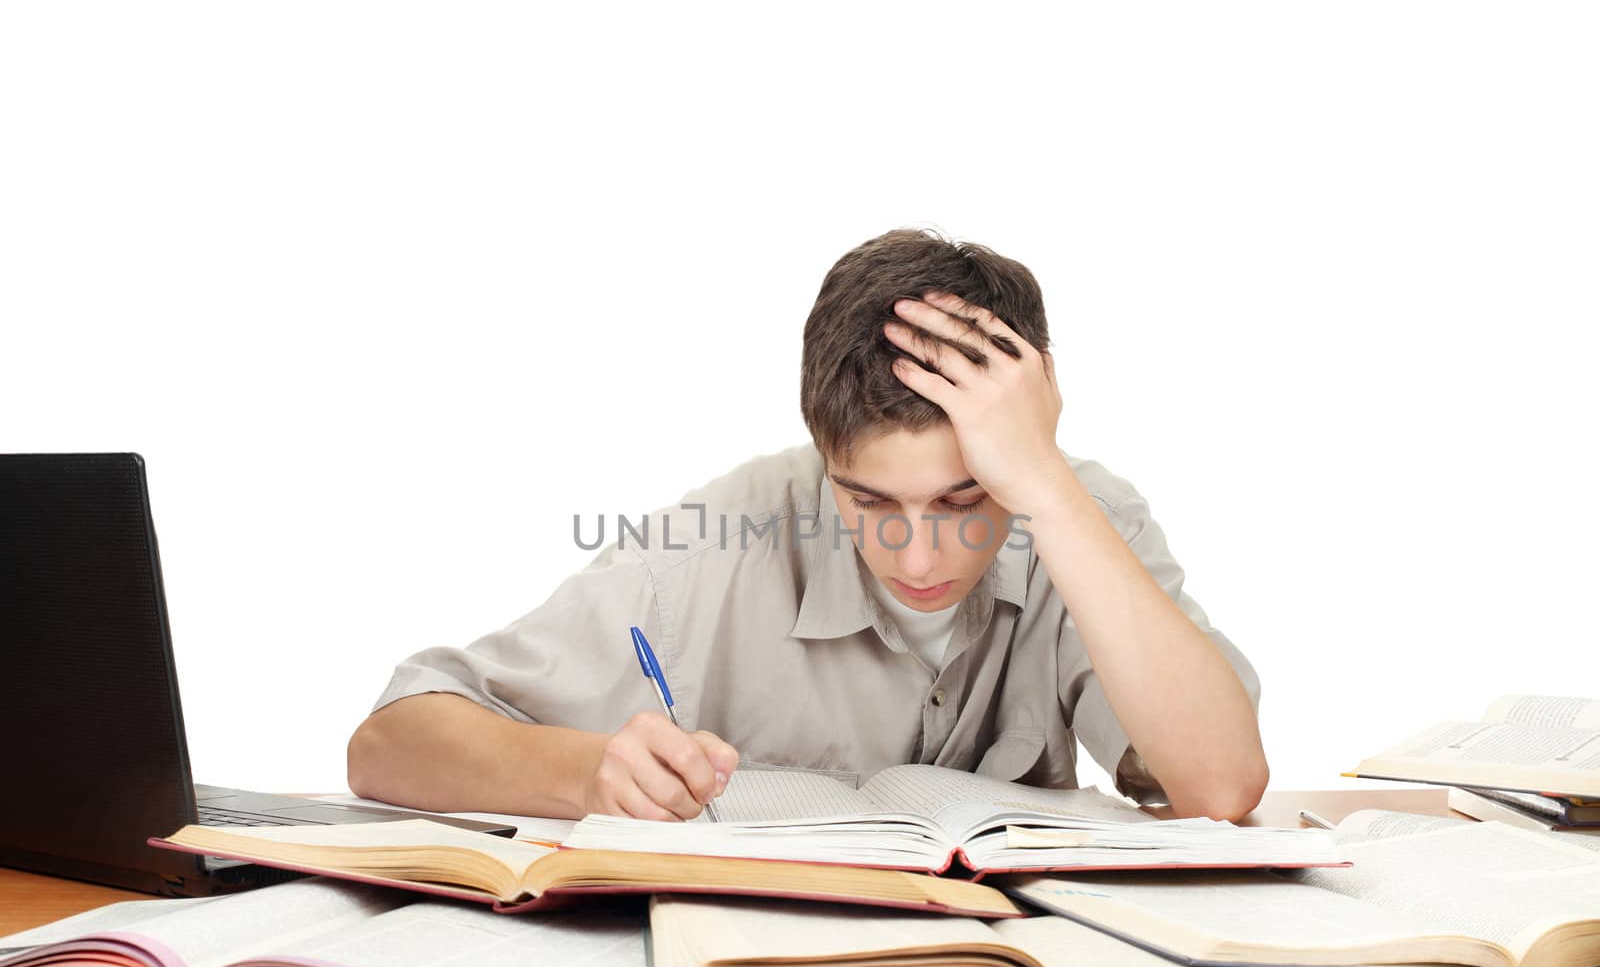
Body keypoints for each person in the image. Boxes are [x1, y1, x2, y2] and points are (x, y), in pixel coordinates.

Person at [346, 229, 1268, 823]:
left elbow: (1222, 786)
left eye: (962, 500)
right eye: (869, 502)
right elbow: (389, 742)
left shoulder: (1083, 519)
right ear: (823, 456)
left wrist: (1045, 484)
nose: (919, 555)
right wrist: (587, 773)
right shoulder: (722, 536)